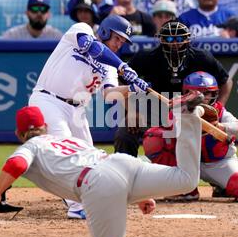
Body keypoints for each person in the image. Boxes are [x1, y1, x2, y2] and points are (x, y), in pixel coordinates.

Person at [0, 102, 203, 237]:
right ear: (45, 126)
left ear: (18, 133)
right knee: (186, 179)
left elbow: (15, 165)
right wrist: (138, 194)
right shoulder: (66, 139)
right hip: (120, 163)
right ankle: (188, 115)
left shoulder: (30, 147)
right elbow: (109, 174)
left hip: (98, 182)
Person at [28, 15, 149, 219]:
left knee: (90, 159)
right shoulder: (81, 30)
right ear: (104, 31)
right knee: (67, 151)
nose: (119, 44)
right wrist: (123, 67)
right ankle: (76, 205)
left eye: (123, 42)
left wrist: (132, 88)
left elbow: (109, 94)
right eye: (117, 38)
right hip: (49, 100)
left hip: (76, 110)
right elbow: (92, 48)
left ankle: (79, 197)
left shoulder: (110, 65)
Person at [143, 71, 238, 202]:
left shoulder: (219, 111)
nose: (202, 97)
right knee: (153, 138)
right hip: (188, 162)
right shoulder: (179, 108)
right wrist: (184, 117)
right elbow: (165, 133)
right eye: (196, 93)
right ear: (186, 93)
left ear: (214, 93)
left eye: (206, 93)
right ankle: (183, 190)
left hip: (218, 163)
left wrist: (220, 127)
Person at [114, 21, 232, 158]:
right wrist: (132, 111)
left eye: (180, 38)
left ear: (188, 39)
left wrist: (218, 107)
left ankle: (215, 175)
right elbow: (120, 81)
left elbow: (226, 81)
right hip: (153, 108)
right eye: (170, 39)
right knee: (125, 133)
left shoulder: (201, 57)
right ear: (161, 39)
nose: (175, 43)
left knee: (210, 140)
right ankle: (123, 171)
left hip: (188, 110)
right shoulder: (147, 57)